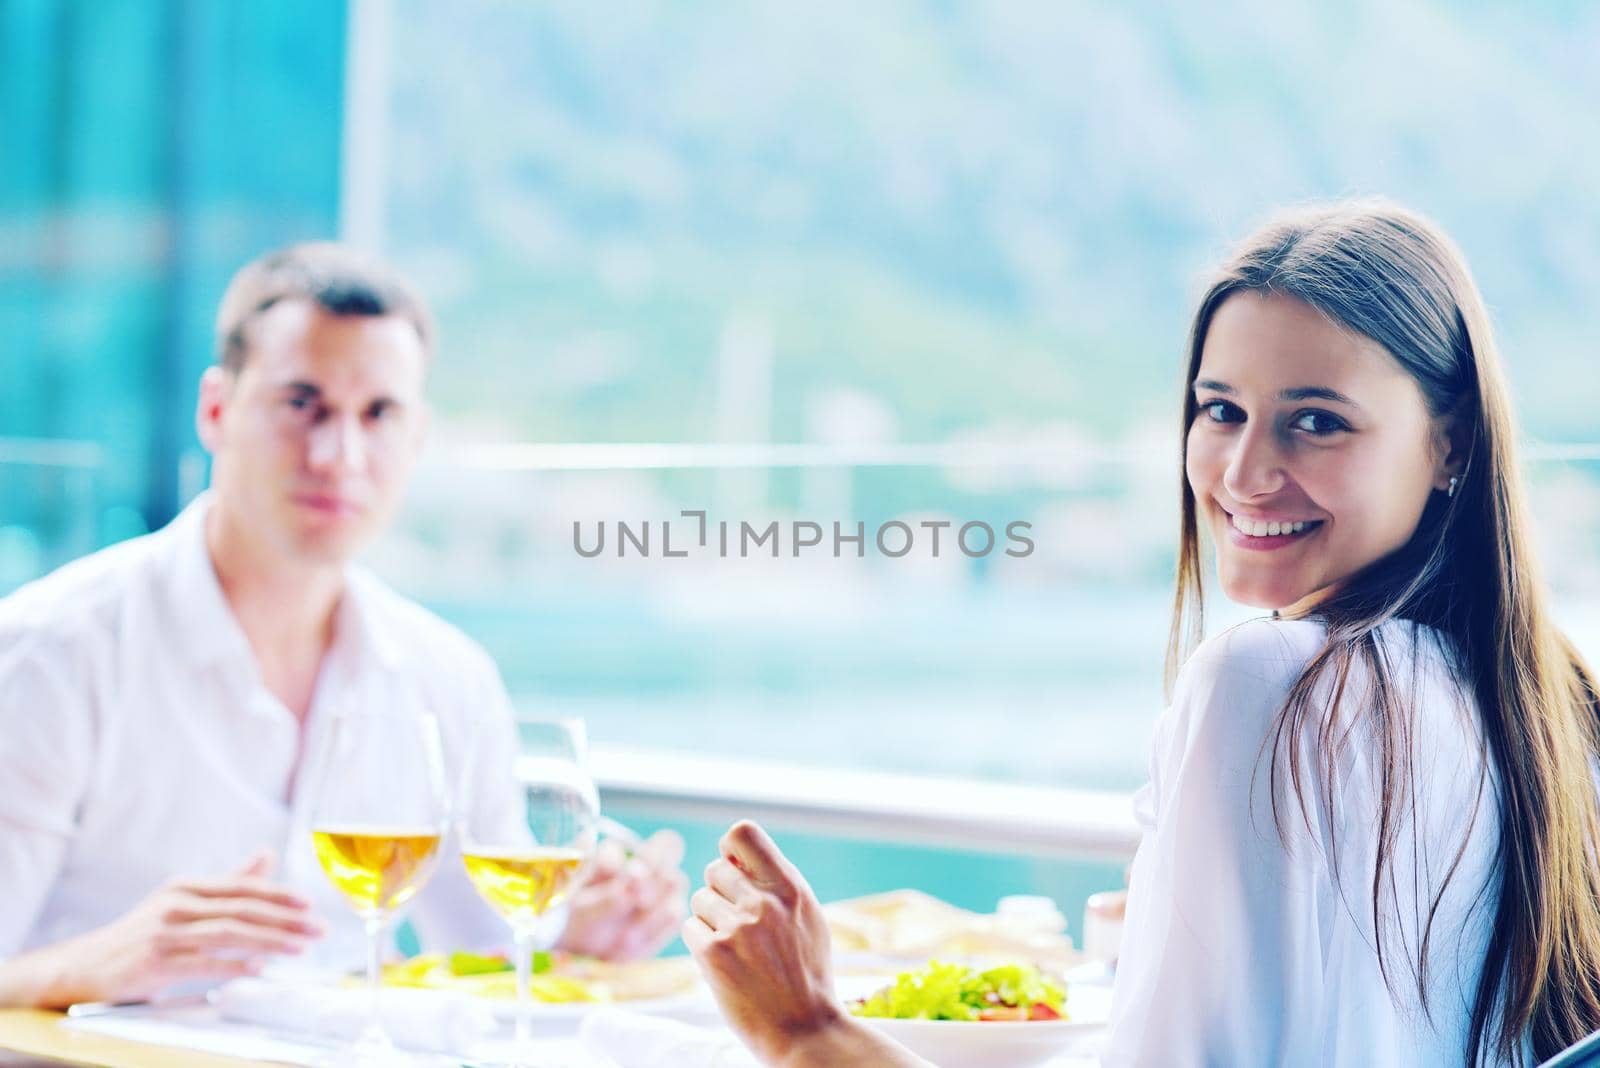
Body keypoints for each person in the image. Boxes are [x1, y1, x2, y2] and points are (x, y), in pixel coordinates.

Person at [682, 200, 1600, 1066]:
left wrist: (806, 1027)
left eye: (1316, 423)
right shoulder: (1556, 711)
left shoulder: (1270, 684)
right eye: (1221, 410)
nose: (1243, 473)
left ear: (1455, 442)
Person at [0, 243, 689, 1010]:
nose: (339, 455)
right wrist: (97, 963)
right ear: (216, 410)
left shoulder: (446, 675)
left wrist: (575, 933)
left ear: (417, 436)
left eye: (379, 414)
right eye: (303, 404)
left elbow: (486, 951)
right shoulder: (52, 651)